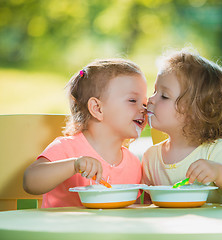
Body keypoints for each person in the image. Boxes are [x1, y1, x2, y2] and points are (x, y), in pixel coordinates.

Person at [23, 59, 147, 208]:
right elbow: (30, 182)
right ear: (97, 108)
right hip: (61, 230)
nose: (143, 109)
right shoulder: (67, 148)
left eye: (145, 103)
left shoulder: (133, 164)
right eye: (133, 100)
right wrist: (73, 165)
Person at [142, 48, 222, 204]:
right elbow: (147, 206)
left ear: (194, 112)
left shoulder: (216, 150)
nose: (151, 99)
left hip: (215, 227)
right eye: (155, 91)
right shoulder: (151, 158)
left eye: (164, 96)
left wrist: (219, 172)